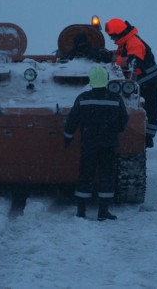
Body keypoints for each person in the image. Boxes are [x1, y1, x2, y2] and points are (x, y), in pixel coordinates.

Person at [64, 65, 128, 220]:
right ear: (106, 81)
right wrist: (112, 132)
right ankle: (103, 211)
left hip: (89, 144)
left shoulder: (83, 98)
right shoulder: (115, 99)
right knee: (107, 175)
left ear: (91, 81)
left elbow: (72, 120)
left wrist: (68, 136)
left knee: (85, 174)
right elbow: (123, 121)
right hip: (108, 144)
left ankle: (81, 210)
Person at [104, 18, 157, 148]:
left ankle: (147, 138)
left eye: (112, 37)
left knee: (150, 111)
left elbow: (133, 61)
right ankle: (144, 137)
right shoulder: (127, 42)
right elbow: (123, 55)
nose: (112, 40)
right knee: (147, 110)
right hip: (144, 83)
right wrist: (108, 55)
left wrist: (111, 59)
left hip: (150, 83)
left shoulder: (134, 43)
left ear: (119, 33)